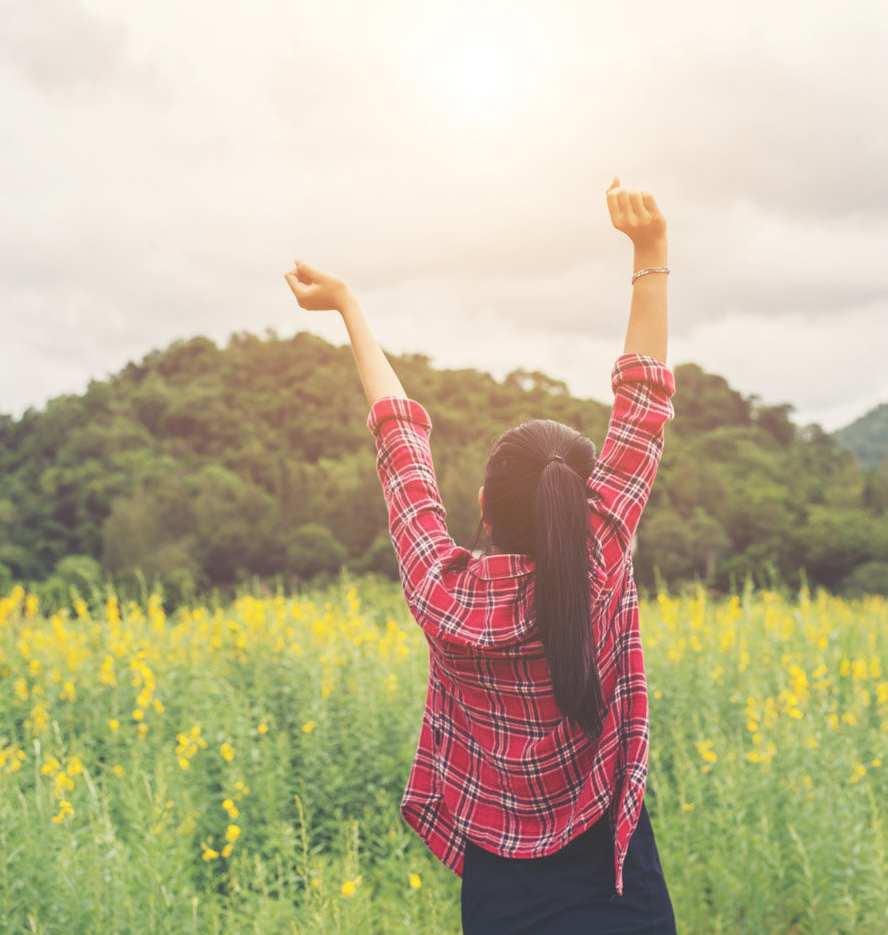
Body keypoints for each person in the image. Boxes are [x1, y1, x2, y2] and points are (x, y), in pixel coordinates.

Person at [284, 176, 677, 934]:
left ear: (485, 511)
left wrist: (350, 310)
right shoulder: (602, 555)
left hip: (503, 893)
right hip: (615, 877)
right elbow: (642, 407)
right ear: (581, 500)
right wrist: (650, 251)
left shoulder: (443, 590)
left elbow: (401, 444)